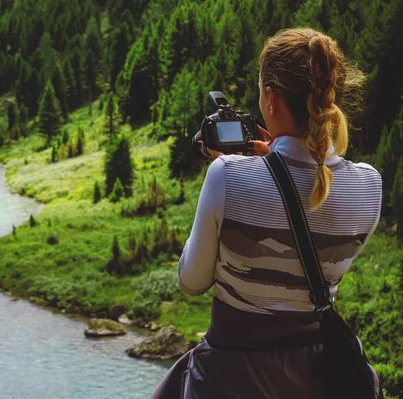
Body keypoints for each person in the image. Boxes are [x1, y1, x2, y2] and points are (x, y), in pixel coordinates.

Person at [152, 28, 383, 399]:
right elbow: (309, 206)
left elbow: (191, 283)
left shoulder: (227, 174)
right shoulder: (370, 186)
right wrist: (271, 163)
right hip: (317, 379)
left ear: (272, 99)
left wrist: (241, 173)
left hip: (231, 379)